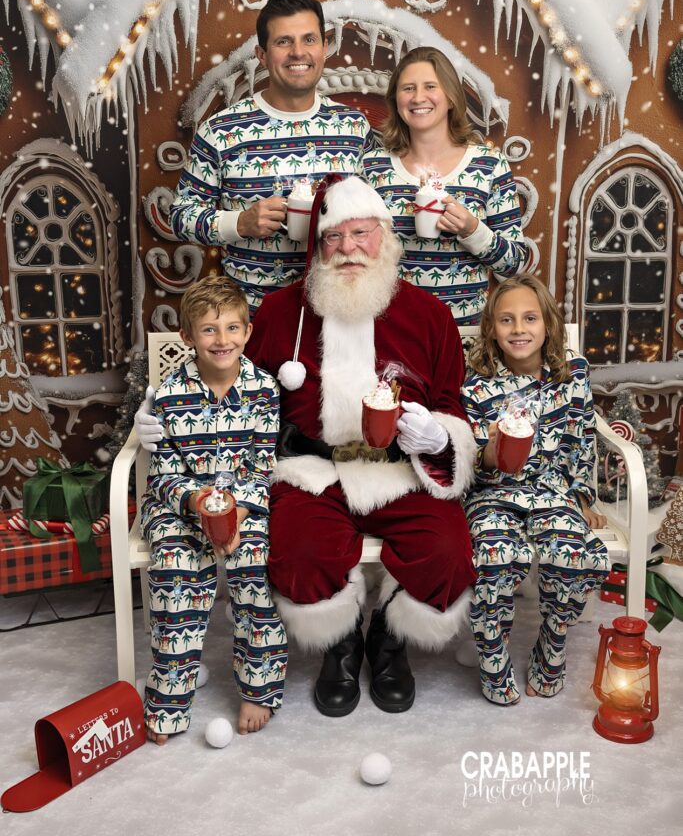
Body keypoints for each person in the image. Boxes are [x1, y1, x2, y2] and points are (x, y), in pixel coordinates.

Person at [246, 175, 477, 717]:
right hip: (313, 470)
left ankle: (388, 644)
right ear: (318, 245)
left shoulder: (428, 315)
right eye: (334, 237)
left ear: (386, 237)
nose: (348, 248)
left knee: (445, 555)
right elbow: (243, 395)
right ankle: (341, 644)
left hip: (401, 471)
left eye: (361, 234)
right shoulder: (283, 313)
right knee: (300, 552)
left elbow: (452, 402)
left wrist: (439, 437)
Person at [141, 275, 287, 741]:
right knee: (174, 575)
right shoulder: (167, 396)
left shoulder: (264, 391)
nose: (221, 340)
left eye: (231, 328)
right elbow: (162, 474)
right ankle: (168, 700)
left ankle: (258, 688)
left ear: (246, 332)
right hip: (180, 505)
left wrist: (235, 514)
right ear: (187, 337)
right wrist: (196, 504)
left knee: (256, 567)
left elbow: (262, 467)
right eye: (208, 329)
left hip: (243, 505)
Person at [169, 0, 376, 315]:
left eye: (309, 40)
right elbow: (181, 217)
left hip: (338, 317)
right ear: (262, 55)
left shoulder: (353, 127)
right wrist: (240, 222)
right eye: (284, 42)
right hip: (251, 320)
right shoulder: (221, 131)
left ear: (324, 48)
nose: (298, 53)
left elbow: (374, 217)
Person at [459, 275, 610, 706]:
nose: (519, 329)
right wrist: (490, 449)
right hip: (493, 492)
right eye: (506, 320)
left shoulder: (571, 373)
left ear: (547, 324)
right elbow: (466, 453)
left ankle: (553, 637)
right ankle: (492, 653)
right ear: (491, 328)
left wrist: (582, 497)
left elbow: (582, 437)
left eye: (529, 318)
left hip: (552, 490)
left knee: (572, 551)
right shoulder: (475, 381)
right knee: (494, 553)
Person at [362, 46, 526, 324]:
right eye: (408, 89)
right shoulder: (372, 167)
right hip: (390, 331)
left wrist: (473, 231)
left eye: (430, 86)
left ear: (450, 97)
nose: (418, 98)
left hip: (463, 333)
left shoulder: (488, 165)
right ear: (396, 100)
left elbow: (513, 266)